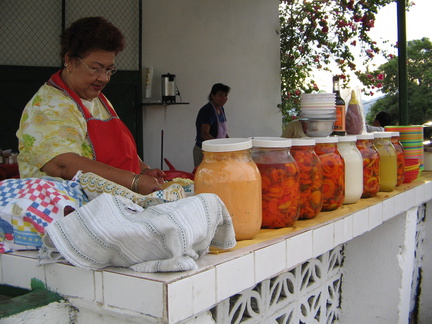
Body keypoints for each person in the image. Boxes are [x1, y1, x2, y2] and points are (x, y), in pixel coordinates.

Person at [16, 17, 165, 195]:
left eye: (109, 69)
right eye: (96, 68)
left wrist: (142, 170)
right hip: (64, 211)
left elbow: (120, 149)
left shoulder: (100, 100)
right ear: (70, 61)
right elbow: (63, 164)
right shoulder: (47, 106)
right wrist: (133, 181)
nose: (104, 78)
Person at [193, 83, 230, 167]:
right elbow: (204, 134)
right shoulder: (207, 111)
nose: (223, 98)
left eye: (225, 95)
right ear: (212, 96)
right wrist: (218, 146)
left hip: (217, 150)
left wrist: (229, 144)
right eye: (220, 95)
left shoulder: (221, 109)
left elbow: (223, 132)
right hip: (205, 151)